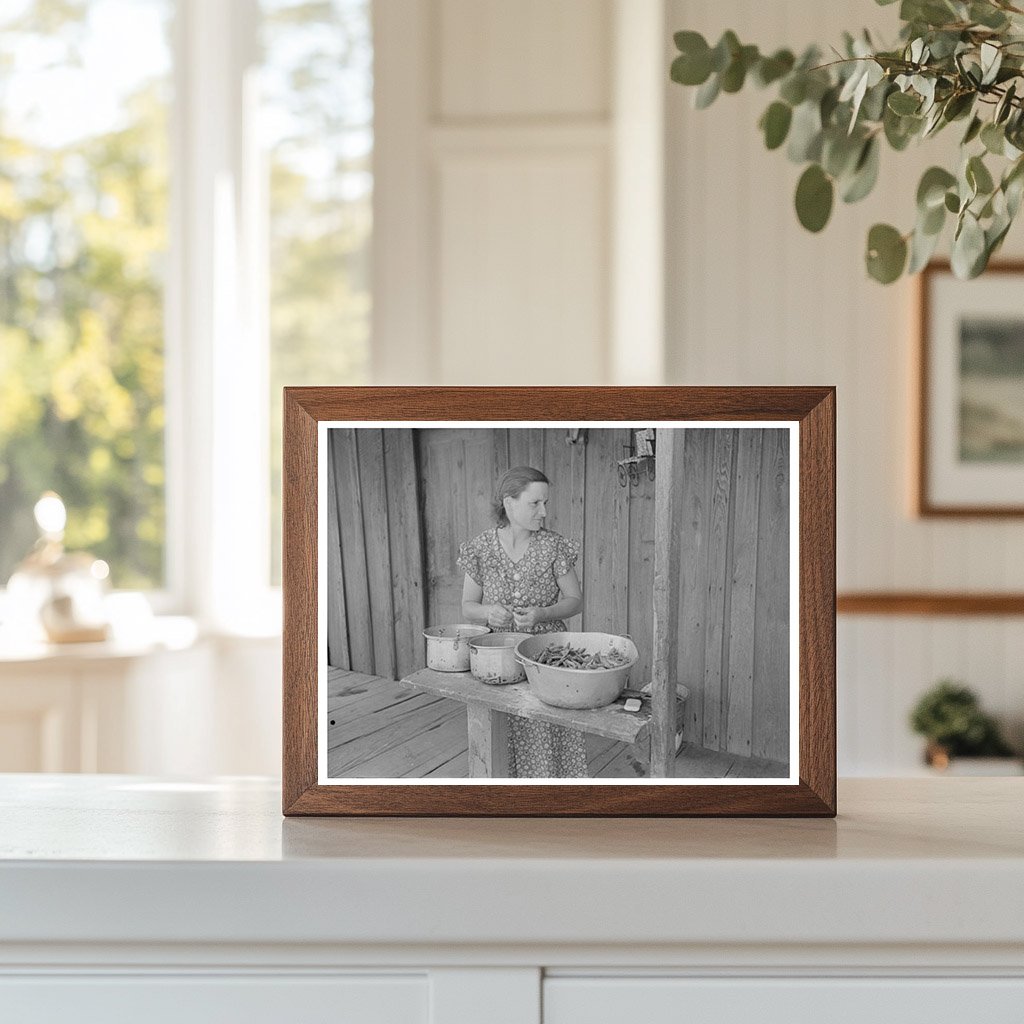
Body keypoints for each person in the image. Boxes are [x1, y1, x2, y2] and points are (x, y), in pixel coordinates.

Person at [457, 466, 589, 778]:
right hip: (496, 658)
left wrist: (542, 613)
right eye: (535, 503)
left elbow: (575, 600)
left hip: (545, 657)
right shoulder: (480, 548)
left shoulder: (554, 546)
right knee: (497, 734)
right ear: (509, 503)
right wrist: (490, 612)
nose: (544, 512)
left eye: (546, 503)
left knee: (544, 732)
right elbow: (467, 607)